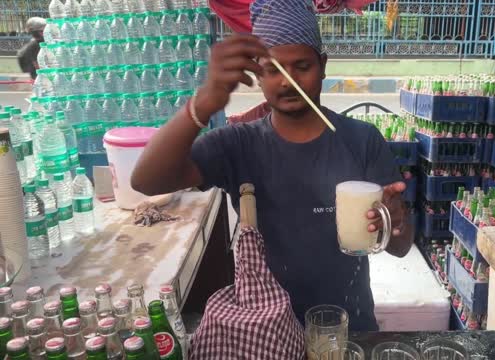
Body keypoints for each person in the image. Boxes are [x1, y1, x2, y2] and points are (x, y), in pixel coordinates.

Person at [131, 0, 414, 331]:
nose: (287, 82)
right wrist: (205, 100)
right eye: (273, 70)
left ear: (322, 65)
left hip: (348, 329)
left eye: (302, 66)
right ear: (258, 74)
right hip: (265, 333)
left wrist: (395, 222)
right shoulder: (238, 145)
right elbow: (146, 181)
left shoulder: (362, 140)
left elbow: (401, 246)